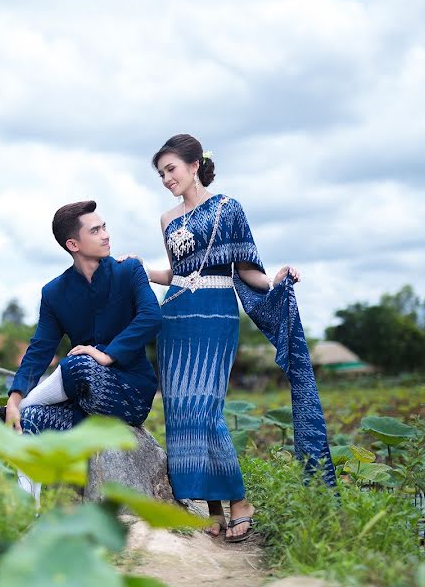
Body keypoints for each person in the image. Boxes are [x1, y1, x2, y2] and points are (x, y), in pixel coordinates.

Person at [122, 134, 335, 543]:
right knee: (182, 413)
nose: (166, 178)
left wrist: (274, 279)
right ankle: (213, 510)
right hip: (175, 315)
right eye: (161, 173)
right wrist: (143, 269)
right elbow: (178, 272)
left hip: (217, 315)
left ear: (194, 164)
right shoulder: (167, 220)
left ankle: (240, 502)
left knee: (205, 411)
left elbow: (247, 269)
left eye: (171, 169)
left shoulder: (227, 208)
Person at [0, 200, 162, 501]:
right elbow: (39, 350)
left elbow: (151, 316)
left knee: (79, 363)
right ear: (73, 244)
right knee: (29, 419)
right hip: (83, 410)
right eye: (96, 230)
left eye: (105, 226)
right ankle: (27, 515)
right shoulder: (54, 292)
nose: (106, 235)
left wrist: (107, 354)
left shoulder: (130, 270)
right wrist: (15, 399)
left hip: (129, 396)